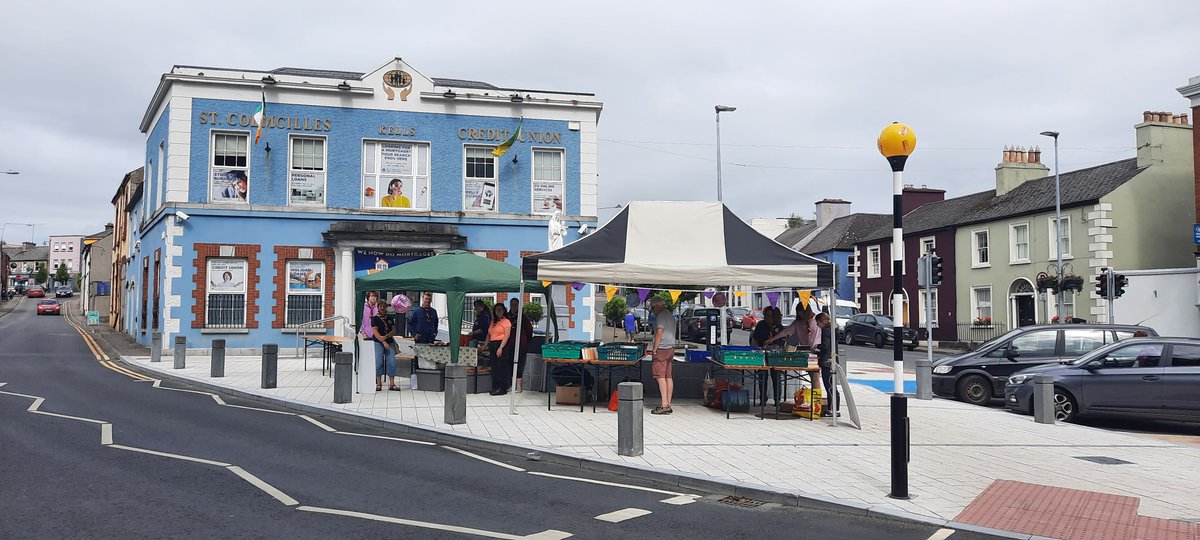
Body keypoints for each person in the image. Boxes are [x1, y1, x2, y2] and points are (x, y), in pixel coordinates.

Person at [648, 297, 676, 415]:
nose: (653, 310)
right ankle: (668, 403)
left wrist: (654, 348)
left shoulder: (660, 316)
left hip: (662, 348)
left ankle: (664, 404)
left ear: (657, 306)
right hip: (671, 348)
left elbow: (659, 332)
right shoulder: (670, 315)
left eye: (653, 308)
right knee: (668, 376)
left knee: (660, 377)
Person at [751, 307, 784, 407]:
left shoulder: (779, 327)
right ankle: (763, 399)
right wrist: (758, 348)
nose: (768, 318)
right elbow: (754, 337)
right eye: (766, 315)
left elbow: (783, 343)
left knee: (776, 377)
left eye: (770, 316)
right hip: (762, 354)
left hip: (775, 355)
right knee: (762, 376)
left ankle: (777, 399)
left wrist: (776, 347)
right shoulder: (761, 325)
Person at [508, 298, 535, 393]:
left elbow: (529, 330)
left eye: (516, 304)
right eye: (512, 304)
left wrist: (525, 340)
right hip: (509, 345)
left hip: (521, 345)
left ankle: (518, 386)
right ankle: (512, 385)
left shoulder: (523, 317)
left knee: (519, 364)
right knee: (510, 364)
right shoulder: (507, 316)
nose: (514, 306)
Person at [371, 303, 399, 391]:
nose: (382, 308)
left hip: (389, 342)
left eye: (384, 306)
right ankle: (379, 383)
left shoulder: (390, 318)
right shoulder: (374, 319)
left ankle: (392, 384)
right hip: (378, 342)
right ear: (378, 307)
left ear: (386, 307)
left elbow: (394, 330)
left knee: (392, 362)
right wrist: (383, 342)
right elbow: (375, 332)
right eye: (380, 306)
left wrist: (386, 337)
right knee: (378, 362)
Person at [814, 312, 836, 417]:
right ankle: (834, 408)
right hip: (833, 360)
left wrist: (817, 347)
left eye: (818, 323)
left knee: (829, 386)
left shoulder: (826, 331)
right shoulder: (833, 330)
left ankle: (832, 409)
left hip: (827, 362)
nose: (817, 325)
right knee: (832, 385)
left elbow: (826, 346)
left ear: (823, 321)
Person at [488, 303, 513, 396]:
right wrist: (486, 344)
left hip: (502, 344)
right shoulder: (493, 321)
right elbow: (489, 333)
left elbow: (507, 335)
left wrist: (501, 347)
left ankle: (502, 388)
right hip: (493, 344)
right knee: (494, 366)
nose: (499, 312)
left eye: (501, 310)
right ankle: (495, 386)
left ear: (504, 311)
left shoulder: (506, 321)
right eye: (497, 310)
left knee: (501, 367)